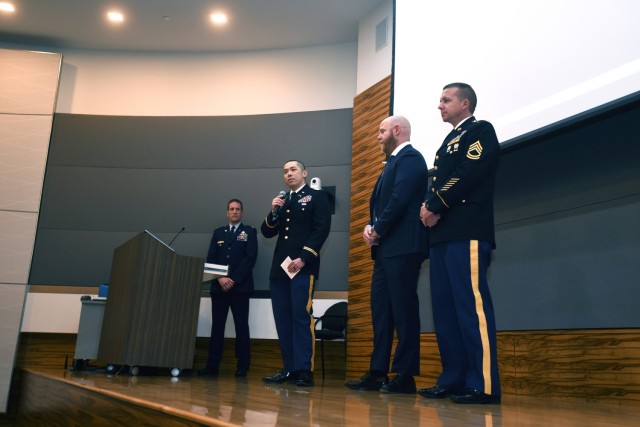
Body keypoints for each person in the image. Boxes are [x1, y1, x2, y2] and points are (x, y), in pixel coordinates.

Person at [418, 83, 501, 404]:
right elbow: (439, 179)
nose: (440, 105)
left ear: (464, 103)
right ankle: (453, 378)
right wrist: (427, 208)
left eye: (446, 99)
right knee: (445, 311)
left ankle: (483, 384)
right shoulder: (447, 141)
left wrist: (435, 203)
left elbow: (470, 171)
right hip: (442, 235)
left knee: (470, 309)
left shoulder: (479, 130)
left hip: (467, 231)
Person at [345, 115, 428, 394]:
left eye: (381, 131)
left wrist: (377, 228)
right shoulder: (392, 163)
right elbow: (382, 204)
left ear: (397, 130)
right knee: (381, 313)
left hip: (403, 247)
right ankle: (378, 371)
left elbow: (400, 199)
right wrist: (371, 225)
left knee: (404, 312)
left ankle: (405, 375)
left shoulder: (411, 158)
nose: (378, 136)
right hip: (385, 251)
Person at [261, 160, 331, 387]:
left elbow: (321, 229)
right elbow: (268, 232)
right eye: (284, 171)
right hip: (280, 270)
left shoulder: (316, 197)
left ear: (304, 173)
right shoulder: (284, 201)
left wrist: (305, 257)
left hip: (302, 267)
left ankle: (304, 369)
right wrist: (273, 212)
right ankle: (288, 368)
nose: (288, 174)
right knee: (283, 319)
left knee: (301, 317)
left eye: (292, 170)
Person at [199, 199, 258, 378]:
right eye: (231, 209)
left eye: (238, 209)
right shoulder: (218, 233)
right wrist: (221, 278)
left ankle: (242, 367)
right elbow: (211, 258)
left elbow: (251, 258)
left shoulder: (249, 232)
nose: (234, 212)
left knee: (241, 327)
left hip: (240, 288)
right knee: (217, 327)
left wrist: (232, 279)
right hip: (219, 287)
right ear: (227, 212)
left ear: (242, 212)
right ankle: (212, 367)